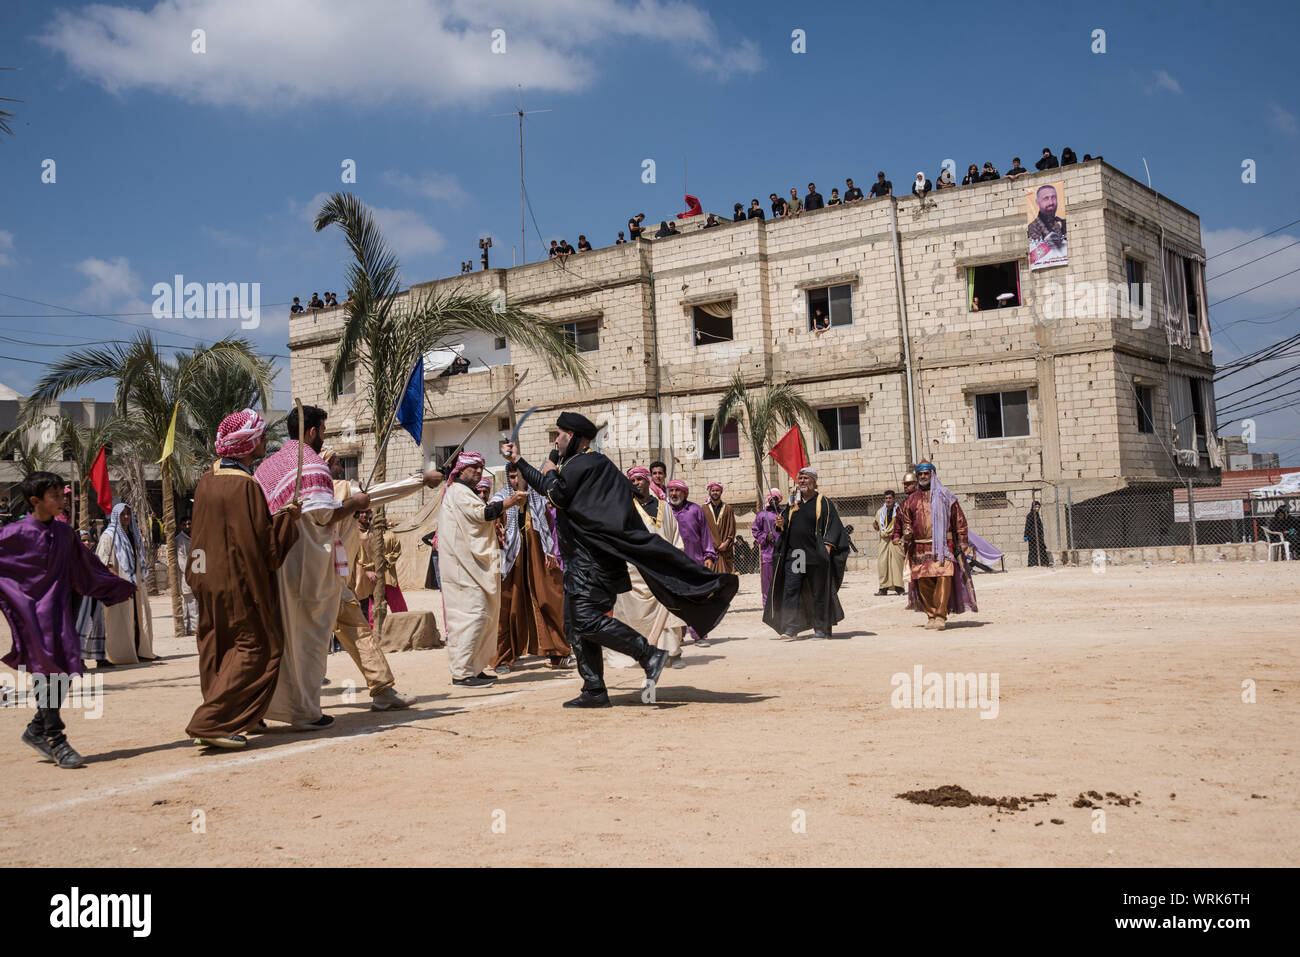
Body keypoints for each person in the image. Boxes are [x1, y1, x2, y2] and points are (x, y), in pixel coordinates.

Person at [503, 413, 737, 707]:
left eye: (560, 435)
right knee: (576, 625)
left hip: (591, 564)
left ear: (576, 437)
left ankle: (647, 654)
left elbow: (556, 495)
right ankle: (594, 690)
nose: (556, 440)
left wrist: (539, 466)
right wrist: (522, 462)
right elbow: (553, 487)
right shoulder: (591, 465)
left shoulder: (583, 464)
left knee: (586, 621)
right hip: (587, 562)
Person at [184, 410, 302, 749]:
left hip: (206, 580)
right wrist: (288, 521)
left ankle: (227, 715)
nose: (266, 443)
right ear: (249, 444)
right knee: (255, 647)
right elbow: (265, 547)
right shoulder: (245, 486)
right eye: (262, 437)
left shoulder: (207, 480)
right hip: (240, 584)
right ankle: (212, 721)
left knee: (217, 647)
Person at [1, 472, 136, 768]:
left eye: (62, 495)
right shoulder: (13, 534)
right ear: (35, 501)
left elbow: (84, 565)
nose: (63, 501)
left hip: (60, 611)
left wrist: (112, 585)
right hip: (31, 616)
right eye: (55, 496)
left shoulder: (64, 534)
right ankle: (56, 739)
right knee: (47, 669)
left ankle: (37, 728)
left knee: (64, 670)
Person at [254, 405, 371, 729]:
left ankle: (261, 708)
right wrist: (355, 505)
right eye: (322, 430)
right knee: (307, 640)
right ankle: (304, 711)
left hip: (274, 561)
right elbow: (324, 515)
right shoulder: (313, 465)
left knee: (277, 638)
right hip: (306, 564)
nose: (323, 437)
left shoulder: (267, 465)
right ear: (311, 432)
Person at [323, 448, 426, 710]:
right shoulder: (339, 490)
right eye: (334, 461)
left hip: (335, 585)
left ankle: (382, 689)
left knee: (359, 632)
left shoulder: (338, 494)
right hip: (313, 584)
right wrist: (421, 481)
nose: (339, 465)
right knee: (302, 646)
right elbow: (380, 492)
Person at [439, 451, 523, 687]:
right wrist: (510, 502)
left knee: (484, 616)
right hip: (462, 569)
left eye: (480, 467)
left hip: (473, 567)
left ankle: (474, 668)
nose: (478, 471)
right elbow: (482, 515)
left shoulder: (467, 493)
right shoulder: (458, 492)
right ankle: (461, 672)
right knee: (471, 617)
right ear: (461, 469)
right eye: (473, 467)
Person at [490, 462, 571, 674]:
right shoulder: (499, 501)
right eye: (513, 477)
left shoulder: (540, 500)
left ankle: (557, 653)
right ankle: (503, 658)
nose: (517, 481)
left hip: (539, 558)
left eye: (521, 477)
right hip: (510, 562)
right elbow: (494, 530)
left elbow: (551, 529)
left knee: (549, 599)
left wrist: (552, 552)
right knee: (508, 607)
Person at [605, 467, 688, 671]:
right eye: (632, 480)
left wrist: (676, 560)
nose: (636, 483)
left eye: (640, 479)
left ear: (647, 481)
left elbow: (675, 536)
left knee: (669, 610)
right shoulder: (625, 509)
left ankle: (673, 653)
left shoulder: (664, 507)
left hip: (662, 569)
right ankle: (638, 652)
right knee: (633, 615)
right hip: (635, 571)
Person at [763, 467, 851, 640]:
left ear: (814, 481)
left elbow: (833, 525)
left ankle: (820, 628)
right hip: (796, 555)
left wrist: (827, 546)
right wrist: (780, 523)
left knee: (818, 591)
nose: (802, 481)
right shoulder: (792, 503)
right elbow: (783, 527)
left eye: (806, 478)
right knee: (791, 590)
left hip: (815, 555)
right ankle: (790, 628)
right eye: (800, 478)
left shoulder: (823, 502)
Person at [898, 461, 977, 630]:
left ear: (933, 474)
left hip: (943, 547)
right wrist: (906, 533)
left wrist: (962, 541)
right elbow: (906, 523)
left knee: (943, 577)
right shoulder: (910, 501)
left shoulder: (946, 496)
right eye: (920, 474)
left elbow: (959, 521)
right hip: (919, 548)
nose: (923, 477)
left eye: (926, 473)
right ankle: (931, 615)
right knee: (924, 581)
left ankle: (941, 616)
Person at [95, 503, 155, 664]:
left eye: (128, 514)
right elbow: (102, 561)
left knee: (139, 615)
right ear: (115, 516)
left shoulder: (133, 535)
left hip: (135, 584)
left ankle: (141, 651)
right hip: (118, 585)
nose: (126, 517)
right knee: (120, 619)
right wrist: (116, 580)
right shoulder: (109, 536)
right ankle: (120, 655)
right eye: (122, 514)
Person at [666, 479, 718, 647]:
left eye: (677, 490)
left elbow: (705, 535)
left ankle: (699, 635)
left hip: (695, 562)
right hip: (673, 564)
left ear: (685, 493)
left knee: (696, 599)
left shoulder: (695, 510)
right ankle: (678, 635)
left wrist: (709, 556)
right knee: (676, 601)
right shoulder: (665, 511)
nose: (673, 494)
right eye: (671, 490)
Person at [751, 488, 783, 608]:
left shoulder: (783, 514)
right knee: (767, 581)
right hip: (768, 553)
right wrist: (765, 537)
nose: (774, 502)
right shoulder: (761, 515)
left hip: (781, 552)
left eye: (776, 499)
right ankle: (767, 605)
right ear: (768, 500)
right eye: (772, 499)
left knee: (780, 579)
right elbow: (755, 530)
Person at [873, 490, 905, 596]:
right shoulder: (879, 512)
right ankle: (883, 588)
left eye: (890, 498)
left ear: (894, 498)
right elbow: (878, 526)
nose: (888, 500)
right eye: (886, 498)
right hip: (884, 541)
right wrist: (875, 526)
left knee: (897, 564)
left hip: (895, 540)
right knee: (882, 564)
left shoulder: (899, 511)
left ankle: (899, 587)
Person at [703, 482, 736, 575]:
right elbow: (701, 529)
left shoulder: (728, 509)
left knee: (724, 578)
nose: (715, 492)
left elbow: (732, 528)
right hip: (709, 549)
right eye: (713, 491)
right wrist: (710, 545)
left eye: (717, 490)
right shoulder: (703, 509)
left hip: (724, 549)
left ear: (721, 492)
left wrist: (726, 543)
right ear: (710, 492)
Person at [175, 517, 198, 636]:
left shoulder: (196, 537)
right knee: (190, 603)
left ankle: (192, 627)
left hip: (197, 574)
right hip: (186, 576)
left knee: (193, 604)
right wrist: (189, 573)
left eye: (189, 523)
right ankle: (193, 629)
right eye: (184, 524)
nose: (187, 526)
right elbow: (181, 560)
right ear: (181, 526)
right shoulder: (179, 540)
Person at [1024, 501, 1052, 566]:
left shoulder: (1037, 515)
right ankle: (1032, 563)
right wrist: (1025, 535)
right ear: (1033, 507)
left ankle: (1044, 563)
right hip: (1032, 536)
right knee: (1032, 550)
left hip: (1038, 536)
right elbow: (1027, 526)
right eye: (1036, 507)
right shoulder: (1030, 515)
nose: (1037, 508)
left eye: (1038, 507)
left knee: (1042, 548)